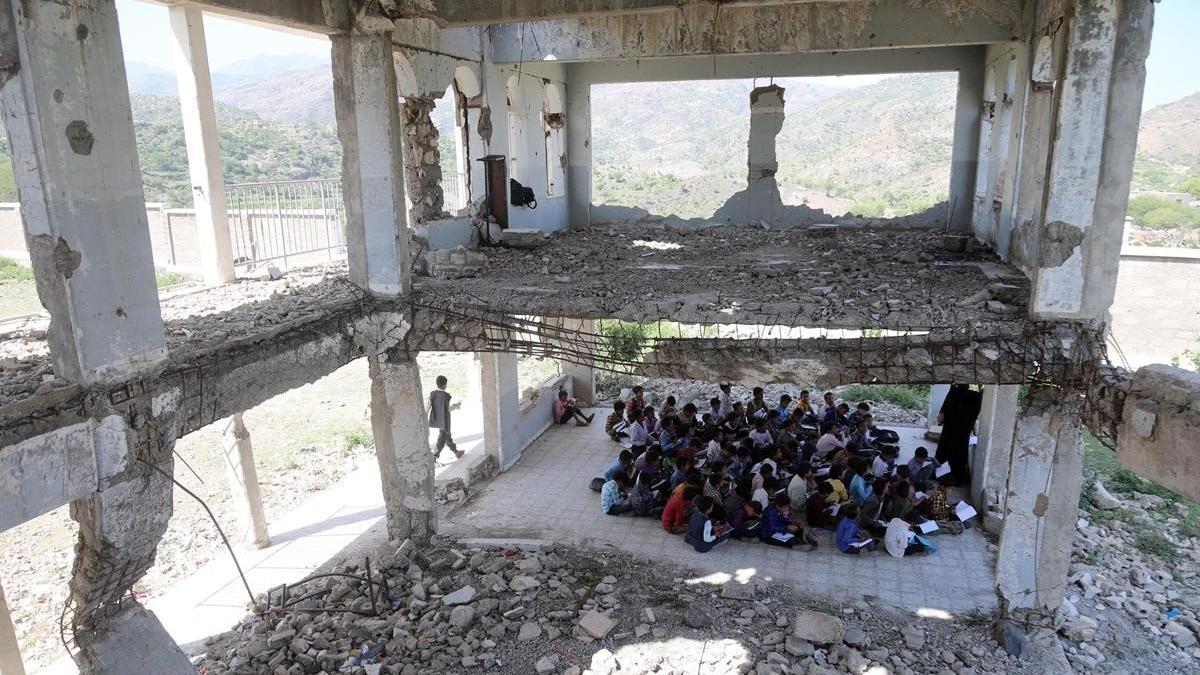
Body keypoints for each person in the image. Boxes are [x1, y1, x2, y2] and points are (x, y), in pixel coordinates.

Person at [935, 384, 982, 486]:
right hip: (955, 421)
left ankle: (952, 476)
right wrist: (942, 412)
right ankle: (946, 475)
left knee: (955, 449)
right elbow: (951, 394)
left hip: (961, 423)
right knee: (950, 448)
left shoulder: (973, 388)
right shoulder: (961, 386)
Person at [427, 375, 463, 460]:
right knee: (443, 436)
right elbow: (448, 409)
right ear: (445, 385)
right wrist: (457, 405)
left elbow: (428, 405)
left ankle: (455, 451)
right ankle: (435, 455)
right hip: (445, 420)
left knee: (446, 435)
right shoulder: (446, 396)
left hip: (437, 419)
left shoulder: (433, 394)